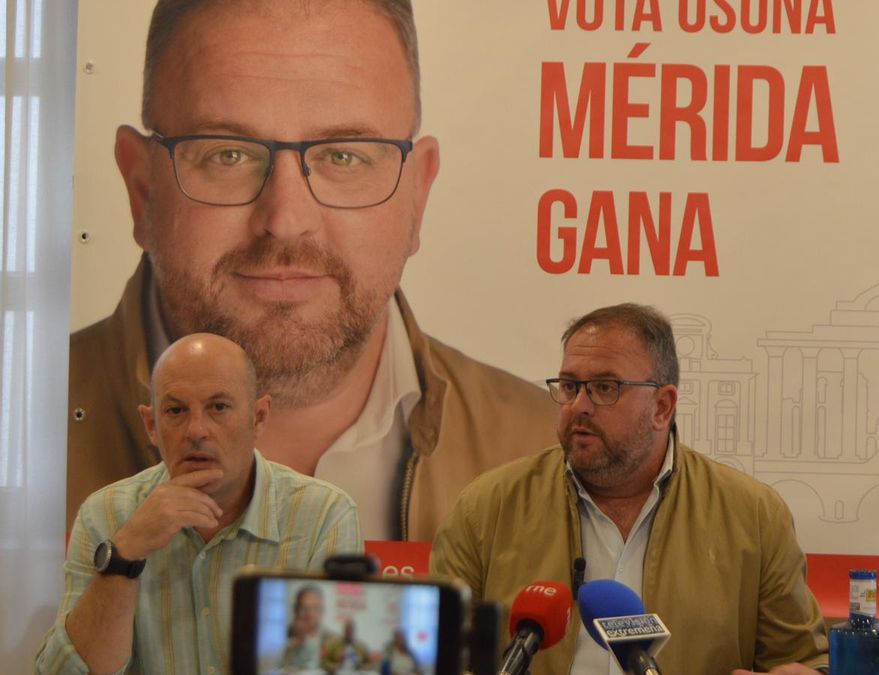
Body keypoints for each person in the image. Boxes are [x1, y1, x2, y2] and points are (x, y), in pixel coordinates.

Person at [67, 0, 557, 541]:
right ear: (142, 190)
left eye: (344, 156)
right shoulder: (18, 428)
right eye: (228, 154)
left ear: (417, 197)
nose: (286, 220)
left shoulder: (548, 452)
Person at [430, 303, 830, 674]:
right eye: (569, 386)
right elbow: (436, 656)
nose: (579, 406)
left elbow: (802, 659)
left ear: (662, 407)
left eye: (605, 388)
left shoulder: (753, 516)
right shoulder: (487, 508)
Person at [36, 333, 362, 674]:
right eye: (175, 410)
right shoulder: (105, 513)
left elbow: (334, 668)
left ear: (259, 418)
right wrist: (125, 554)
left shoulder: (323, 515)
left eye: (218, 407)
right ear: (151, 425)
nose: (196, 430)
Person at [282, 585, 337, 672]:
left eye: (315, 608)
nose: (309, 614)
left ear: (322, 611)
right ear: (295, 610)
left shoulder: (334, 640)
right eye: (304, 608)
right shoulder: (282, 636)